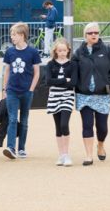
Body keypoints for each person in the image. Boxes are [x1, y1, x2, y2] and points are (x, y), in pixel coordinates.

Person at [72, 22, 110, 166]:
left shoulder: (107, 51)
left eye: (96, 33)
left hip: (102, 95)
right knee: (87, 125)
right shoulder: (78, 53)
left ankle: (100, 144)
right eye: (90, 33)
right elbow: (73, 72)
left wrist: (108, 83)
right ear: (85, 36)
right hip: (84, 95)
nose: (94, 35)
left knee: (102, 127)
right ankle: (88, 155)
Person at [2, 22, 41, 160]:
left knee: (24, 120)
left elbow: (37, 72)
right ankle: (10, 147)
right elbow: (6, 70)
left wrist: (31, 89)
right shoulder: (10, 52)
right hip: (12, 90)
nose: (12, 37)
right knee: (12, 119)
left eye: (14, 34)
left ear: (22, 35)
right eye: (11, 34)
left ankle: (22, 148)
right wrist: (4, 88)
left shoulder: (33, 52)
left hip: (26, 91)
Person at [45, 38, 77, 167]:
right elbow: (48, 81)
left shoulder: (73, 64)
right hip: (54, 96)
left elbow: (74, 82)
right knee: (58, 127)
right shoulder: (50, 64)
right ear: (55, 51)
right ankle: (61, 155)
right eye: (59, 50)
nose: (62, 52)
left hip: (67, 96)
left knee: (64, 124)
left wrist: (61, 81)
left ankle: (67, 154)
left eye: (64, 50)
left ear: (68, 50)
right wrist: (65, 80)